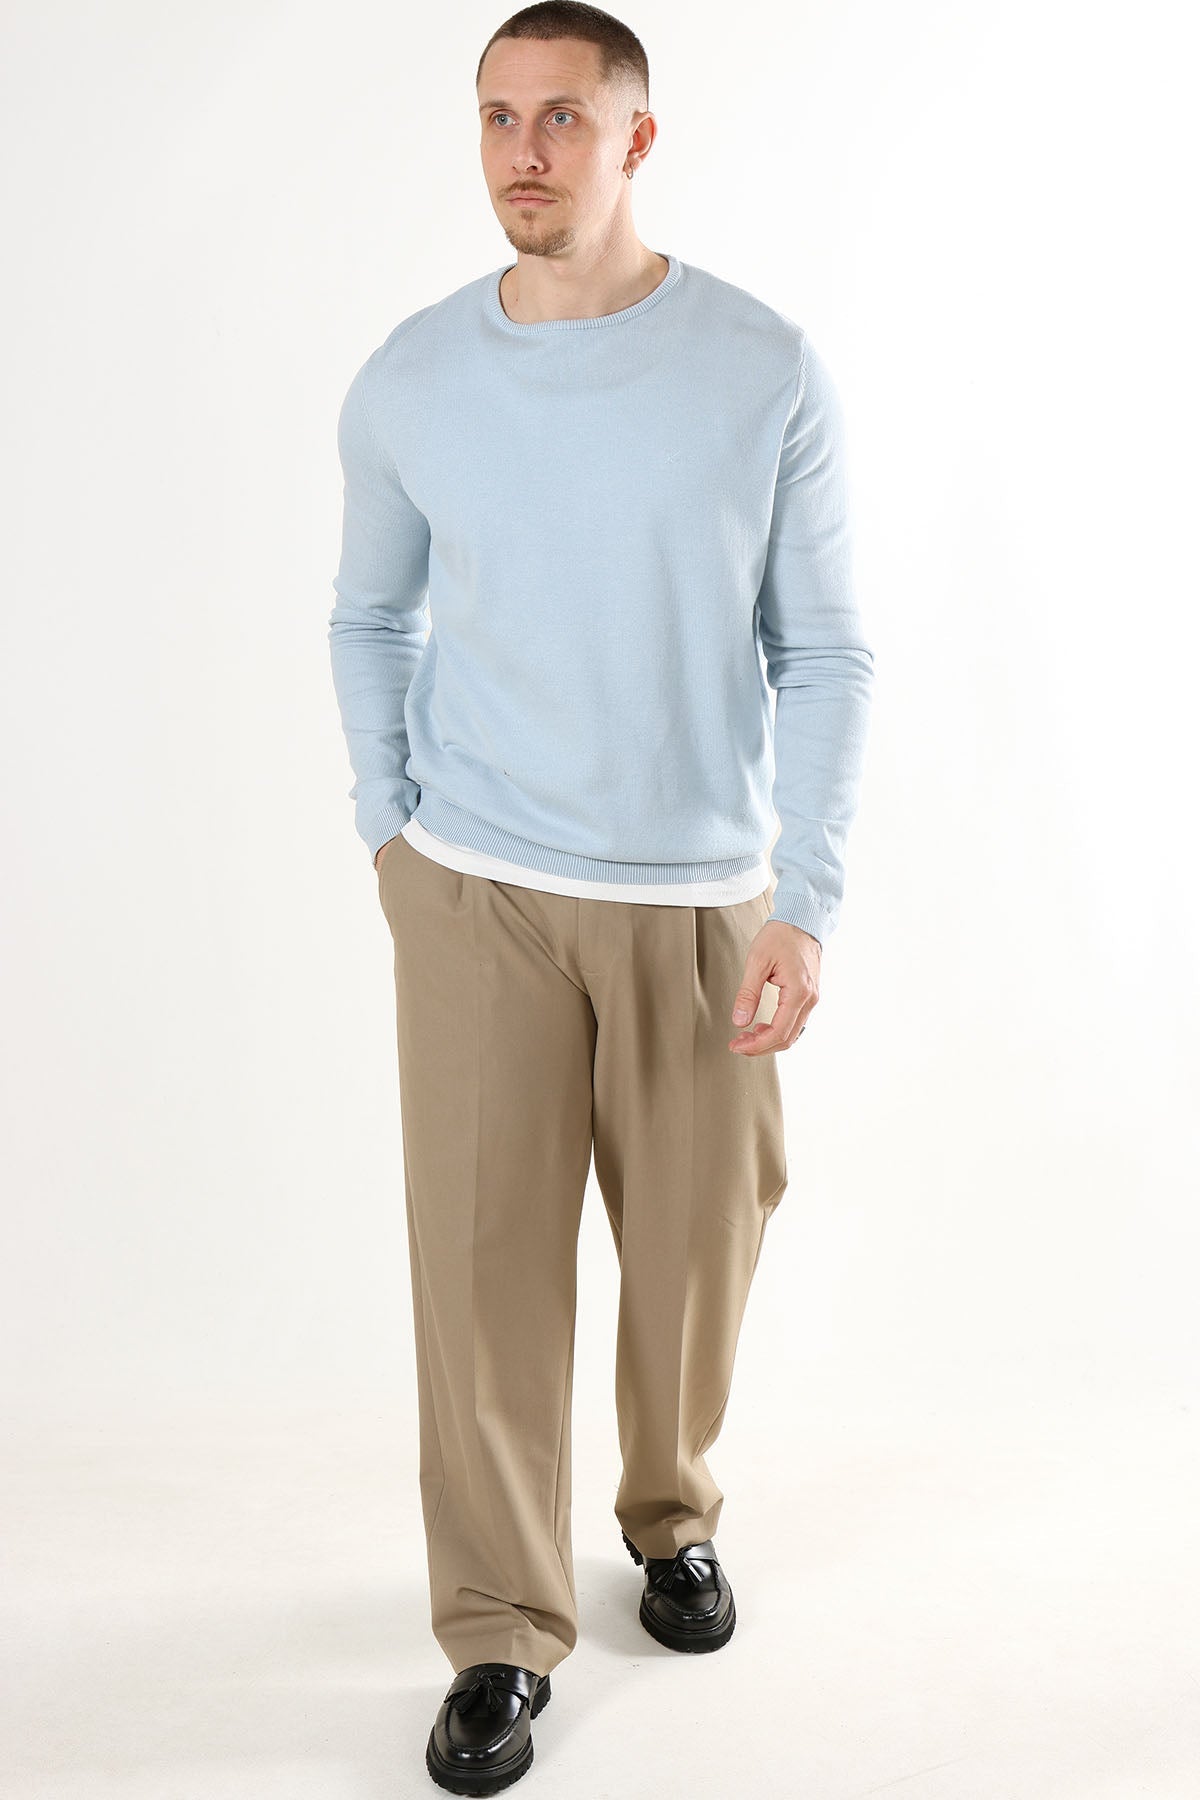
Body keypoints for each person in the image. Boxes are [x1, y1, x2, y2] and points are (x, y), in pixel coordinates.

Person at [328, 1, 875, 1788]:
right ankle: (498, 1629)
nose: (524, 152)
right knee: (482, 1273)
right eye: (498, 116)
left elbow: (824, 649)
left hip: (703, 896)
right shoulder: (415, 377)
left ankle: (668, 1511)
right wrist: (391, 832)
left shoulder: (761, 365)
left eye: (563, 117)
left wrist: (805, 897)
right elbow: (369, 614)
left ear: (637, 138)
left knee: (702, 1246)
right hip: (476, 889)